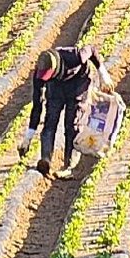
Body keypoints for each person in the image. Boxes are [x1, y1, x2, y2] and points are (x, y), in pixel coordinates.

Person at [19, 45, 115, 179]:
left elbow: (92, 50)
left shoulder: (74, 56)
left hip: (78, 83)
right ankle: (45, 159)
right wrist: (28, 137)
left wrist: (103, 74)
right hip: (56, 86)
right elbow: (37, 105)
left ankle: (70, 166)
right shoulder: (40, 75)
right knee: (50, 121)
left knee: (72, 124)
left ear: (56, 68)